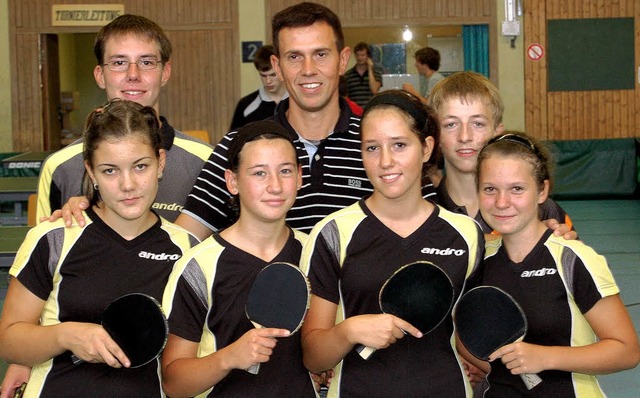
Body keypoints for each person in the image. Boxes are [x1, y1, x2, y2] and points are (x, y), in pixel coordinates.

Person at [174, 2, 437, 240]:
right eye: (294, 57)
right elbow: (184, 239)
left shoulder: (381, 145)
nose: (308, 69)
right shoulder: (238, 146)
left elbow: (431, 230)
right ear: (277, 66)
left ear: (342, 59)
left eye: (321, 54)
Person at [0, 99, 199, 397]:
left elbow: (186, 363)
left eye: (140, 166)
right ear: (90, 172)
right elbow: (9, 342)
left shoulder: (186, 250)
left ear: (161, 162)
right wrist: (66, 335)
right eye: (109, 171)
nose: (128, 184)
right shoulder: (54, 239)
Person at [300, 90, 483, 397]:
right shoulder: (333, 233)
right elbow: (313, 357)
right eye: (372, 148)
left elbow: (468, 336)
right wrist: (349, 331)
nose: (386, 161)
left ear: (426, 148)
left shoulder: (465, 234)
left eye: (399, 145)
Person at [465, 131, 640, 396]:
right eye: (490, 189)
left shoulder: (572, 259)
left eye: (517, 188)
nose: (501, 202)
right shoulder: (477, 259)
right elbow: (464, 335)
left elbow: (626, 351)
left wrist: (545, 358)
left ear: (542, 190)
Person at [160, 120, 316, 397]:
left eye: (286, 171)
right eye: (259, 173)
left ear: (300, 177)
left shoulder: (316, 254)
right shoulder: (199, 266)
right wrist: (229, 357)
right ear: (232, 181)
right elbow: (173, 382)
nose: (275, 186)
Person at [35, 14, 213, 223]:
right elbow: (46, 248)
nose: (133, 74)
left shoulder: (206, 161)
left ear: (164, 73)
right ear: (100, 75)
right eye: (119, 62)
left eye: (146, 62)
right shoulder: (59, 167)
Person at [428, 71, 575, 238]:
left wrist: (552, 249)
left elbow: (575, 260)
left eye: (477, 123)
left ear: (497, 132)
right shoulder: (423, 210)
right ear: (436, 135)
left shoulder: (540, 209)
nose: (465, 136)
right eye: (451, 124)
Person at [229, 45, 289, 130]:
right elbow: (233, 140)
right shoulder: (245, 104)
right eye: (263, 75)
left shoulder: (298, 100)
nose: (268, 81)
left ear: (281, 71)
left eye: (273, 75)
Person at [344, 41, 383, 107]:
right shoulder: (348, 75)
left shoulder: (376, 73)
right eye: (357, 55)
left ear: (368, 56)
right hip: (353, 111)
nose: (359, 58)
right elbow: (345, 97)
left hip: (370, 110)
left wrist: (370, 68)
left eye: (362, 55)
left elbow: (374, 90)